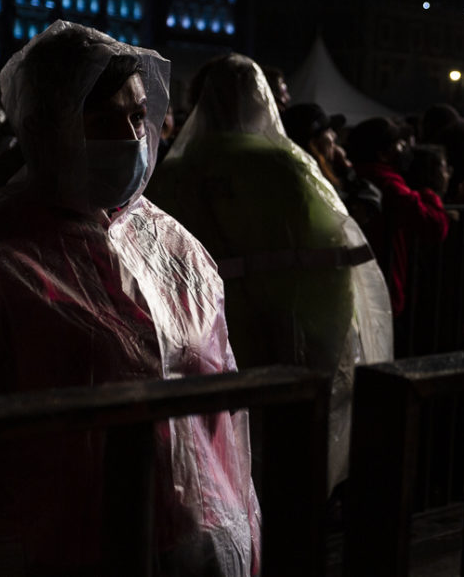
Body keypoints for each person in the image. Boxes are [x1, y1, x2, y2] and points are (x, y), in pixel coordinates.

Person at [0, 22, 260, 575]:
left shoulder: (174, 247)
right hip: (63, 550)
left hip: (196, 540)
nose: (134, 136)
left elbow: (224, 417)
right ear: (48, 127)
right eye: (106, 119)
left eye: (139, 116)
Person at [147, 55, 392, 490]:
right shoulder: (287, 167)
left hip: (202, 346)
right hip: (286, 343)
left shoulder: (173, 173)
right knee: (283, 466)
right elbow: (336, 258)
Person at [347, 117, 450, 315]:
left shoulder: (360, 176)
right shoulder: (389, 185)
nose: (404, 148)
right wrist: (429, 194)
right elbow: (434, 225)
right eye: (398, 144)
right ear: (383, 154)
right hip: (381, 293)